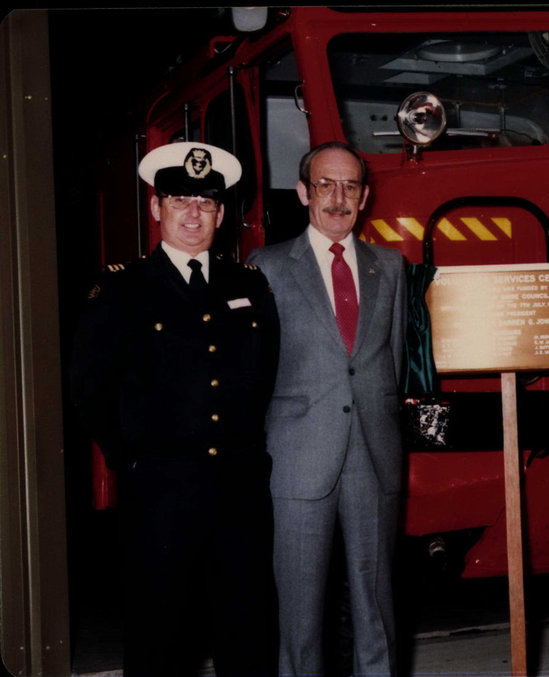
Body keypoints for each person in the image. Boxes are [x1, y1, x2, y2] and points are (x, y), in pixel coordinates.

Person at [71, 142, 280, 677]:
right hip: (160, 492)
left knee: (247, 631)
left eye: (206, 203)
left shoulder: (249, 285)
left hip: (238, 491)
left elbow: (266, 377)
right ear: (155, 207)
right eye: (180, 199)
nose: (193, 213)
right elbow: (90, 389)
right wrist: (134, 460)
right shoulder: (121, 288)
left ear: (222, 213)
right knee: (160, 636)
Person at [246, 141, 407, 676]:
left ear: (364, 197)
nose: (338, 198)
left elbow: (395, 358)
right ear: (302, 193)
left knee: (375, 606)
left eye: (350, 187)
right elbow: (255, 371)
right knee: (298, 613)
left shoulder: (390, 265)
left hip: (373, 453)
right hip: (297, 455)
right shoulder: (266, 266)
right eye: (325, 185)